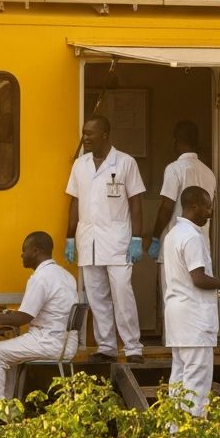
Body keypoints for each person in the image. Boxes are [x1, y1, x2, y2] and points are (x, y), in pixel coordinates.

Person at [162, 186, 220, 418]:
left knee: (179, 379)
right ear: (194, 206)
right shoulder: (192, 236)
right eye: (207, 206)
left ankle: (175, 434)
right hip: (193, 318)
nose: (210, 212)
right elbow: (199, 279)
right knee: (197, 381)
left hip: (178, 315)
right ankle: (193, 436)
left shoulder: (173, 233)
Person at [65, 114, 146, 363]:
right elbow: (74, 201)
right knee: (96, 297)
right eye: (84, 133)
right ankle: (107, 346)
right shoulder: (80, 165)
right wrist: (69, 237)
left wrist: (137, 237)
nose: (85, 138)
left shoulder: (125, 163)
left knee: (122, 294)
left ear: (105, 134)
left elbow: (136, 202)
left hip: (118, 239)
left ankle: (133, 348)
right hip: (88, 240)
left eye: (90, 133)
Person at [0, 232, 79, 408]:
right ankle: (7, 405)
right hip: (66, 342)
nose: (22, 255)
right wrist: (6, 313)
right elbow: (36, 311)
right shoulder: (65, 275)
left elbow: (22, 318)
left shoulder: (40, 278)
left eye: (25, 250)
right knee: (7, 354)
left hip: (48, 342)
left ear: (36, 251)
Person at [147, 120, 216, 262]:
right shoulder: (209, 173)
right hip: (200, 245)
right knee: (197, 283)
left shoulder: (174, 169)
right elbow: (210, 212)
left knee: (172, 284)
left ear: (175, 141)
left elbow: (166, 208)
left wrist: (155, 238)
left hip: (176, 245)